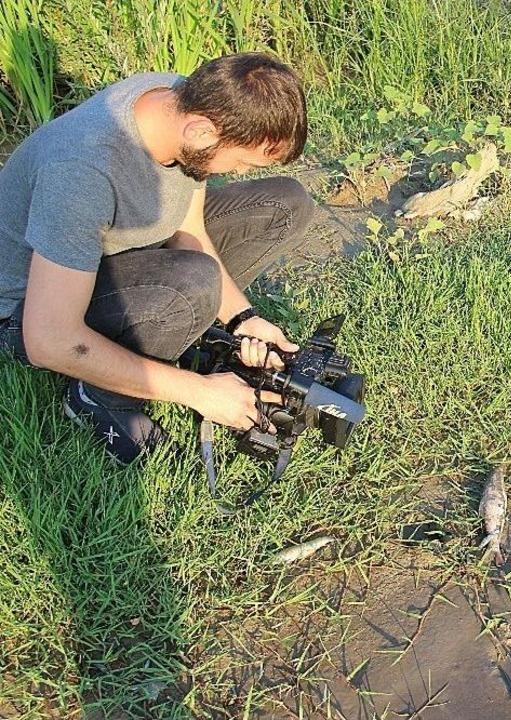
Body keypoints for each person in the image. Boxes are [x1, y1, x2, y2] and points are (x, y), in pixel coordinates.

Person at [0, 52, 316, 464]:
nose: (238, 172)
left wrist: (243, 319)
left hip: (116, 257)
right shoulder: (80, 172)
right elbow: (48, 339)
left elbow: (189, 229)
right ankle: (96, 397)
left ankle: (184, 324)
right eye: (241, 161)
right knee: (194, 281)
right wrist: (200, 393)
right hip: (29, 312)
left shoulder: (181, 101)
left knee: (285, 205)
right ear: (201, 131)